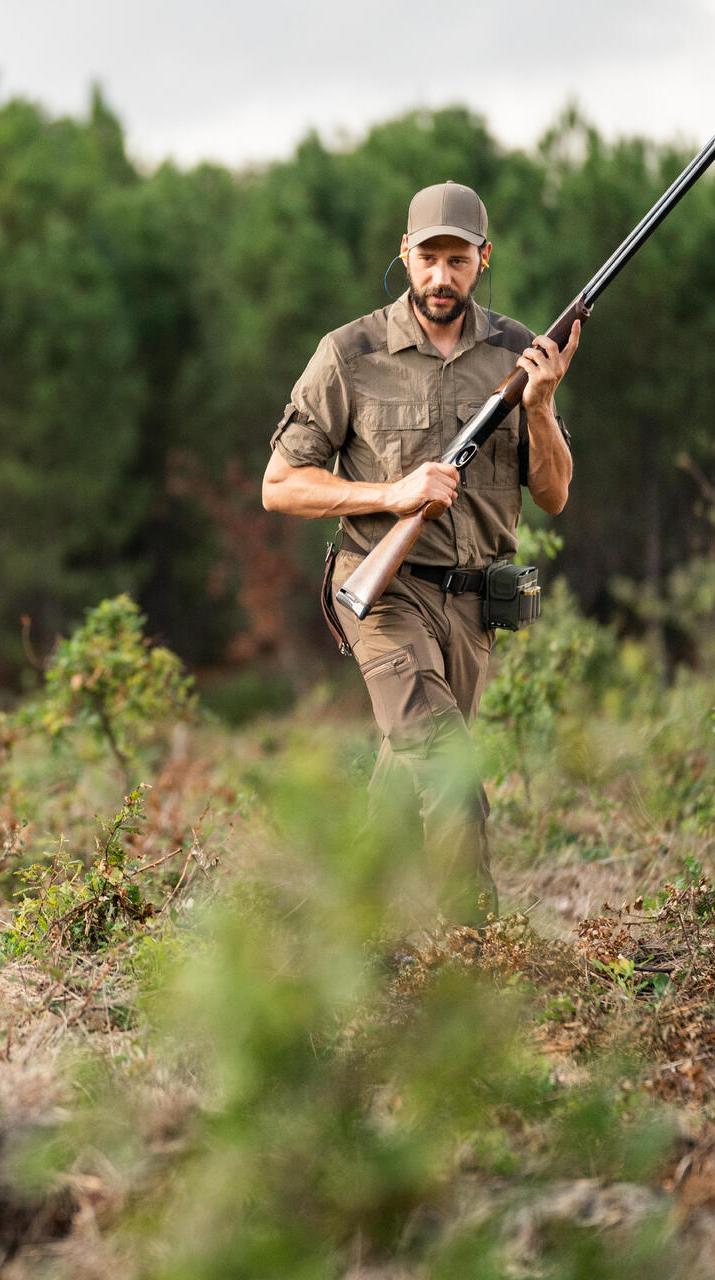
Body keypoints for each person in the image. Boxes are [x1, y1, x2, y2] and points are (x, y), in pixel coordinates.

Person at [261, 181, 577, 923]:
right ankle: (471, 965)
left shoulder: (517, 352)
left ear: (483, 259)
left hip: (473, 607)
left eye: (457, 259)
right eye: (427, 257)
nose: (441, 276)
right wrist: (391, 495)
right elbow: (280, 485)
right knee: (448, 768)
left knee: (406, 785)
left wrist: (541, 408)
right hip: (384, 594)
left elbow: (555, 494)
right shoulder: (351, 353)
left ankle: (337, 937)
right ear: (405, 255)